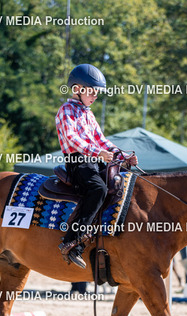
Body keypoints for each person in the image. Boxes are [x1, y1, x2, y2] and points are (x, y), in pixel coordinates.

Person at [56, 64, 137, 269]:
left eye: (97, 93)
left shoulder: (88, 114)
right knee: (98, 189)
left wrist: (123, 156)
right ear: (77, 89)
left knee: (118, 183)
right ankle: (72, 241)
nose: (95, 96)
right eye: (91, 92)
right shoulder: (66, 110)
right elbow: (72, 139)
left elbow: (102, 141)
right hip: (77, 163)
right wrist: (97, 153)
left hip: (93, 160)